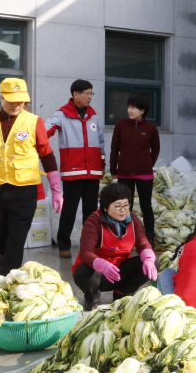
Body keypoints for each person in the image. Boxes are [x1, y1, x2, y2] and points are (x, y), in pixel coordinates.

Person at [0, 78, 64, 275]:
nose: (17, 105)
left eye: (21, 101)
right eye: (11, 100)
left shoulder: (35, 122)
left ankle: (6, 283)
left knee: (15, 242)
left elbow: (47, 156)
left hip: (24, 191)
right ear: (0, 97)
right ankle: (6, 277)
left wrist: (57, 190)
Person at [72, 182, 157, 310]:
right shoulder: (94, 221)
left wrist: (148, 258)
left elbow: (143, 242)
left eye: (126, 205)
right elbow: (85, 252)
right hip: (98, 274)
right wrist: (102, 264)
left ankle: (123, 292)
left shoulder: (133, 220)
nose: (123, 210)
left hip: (120, 272)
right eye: (117, 206)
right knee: (83, 271)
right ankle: (92, 296)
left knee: (152, 261)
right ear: (106, 207)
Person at [47, 79, 105, 258]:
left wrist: (102, 164)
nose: (90, 97)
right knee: (69, 209)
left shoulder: (94, 116)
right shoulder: (61, 115)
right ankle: (64, 245)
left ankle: (88, 245)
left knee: (91, 211)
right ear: (75, 95)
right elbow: (45, 130)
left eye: (91, 93)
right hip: (73, 171)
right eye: (86, 93)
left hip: (93, 172)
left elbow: (101, 143)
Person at [109, 95, 160, 242]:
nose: (130, 110)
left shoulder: (151, 128)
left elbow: (155, 149)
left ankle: (149, 236)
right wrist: (114, 170)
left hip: (144, 174)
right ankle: (125, 235)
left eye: (133, 108)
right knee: (124, 206)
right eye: (129, 107)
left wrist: (148, 165)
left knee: (146, 206)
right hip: (124, 174)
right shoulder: (121, 125)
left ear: (142, 111)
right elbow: (114, 149)